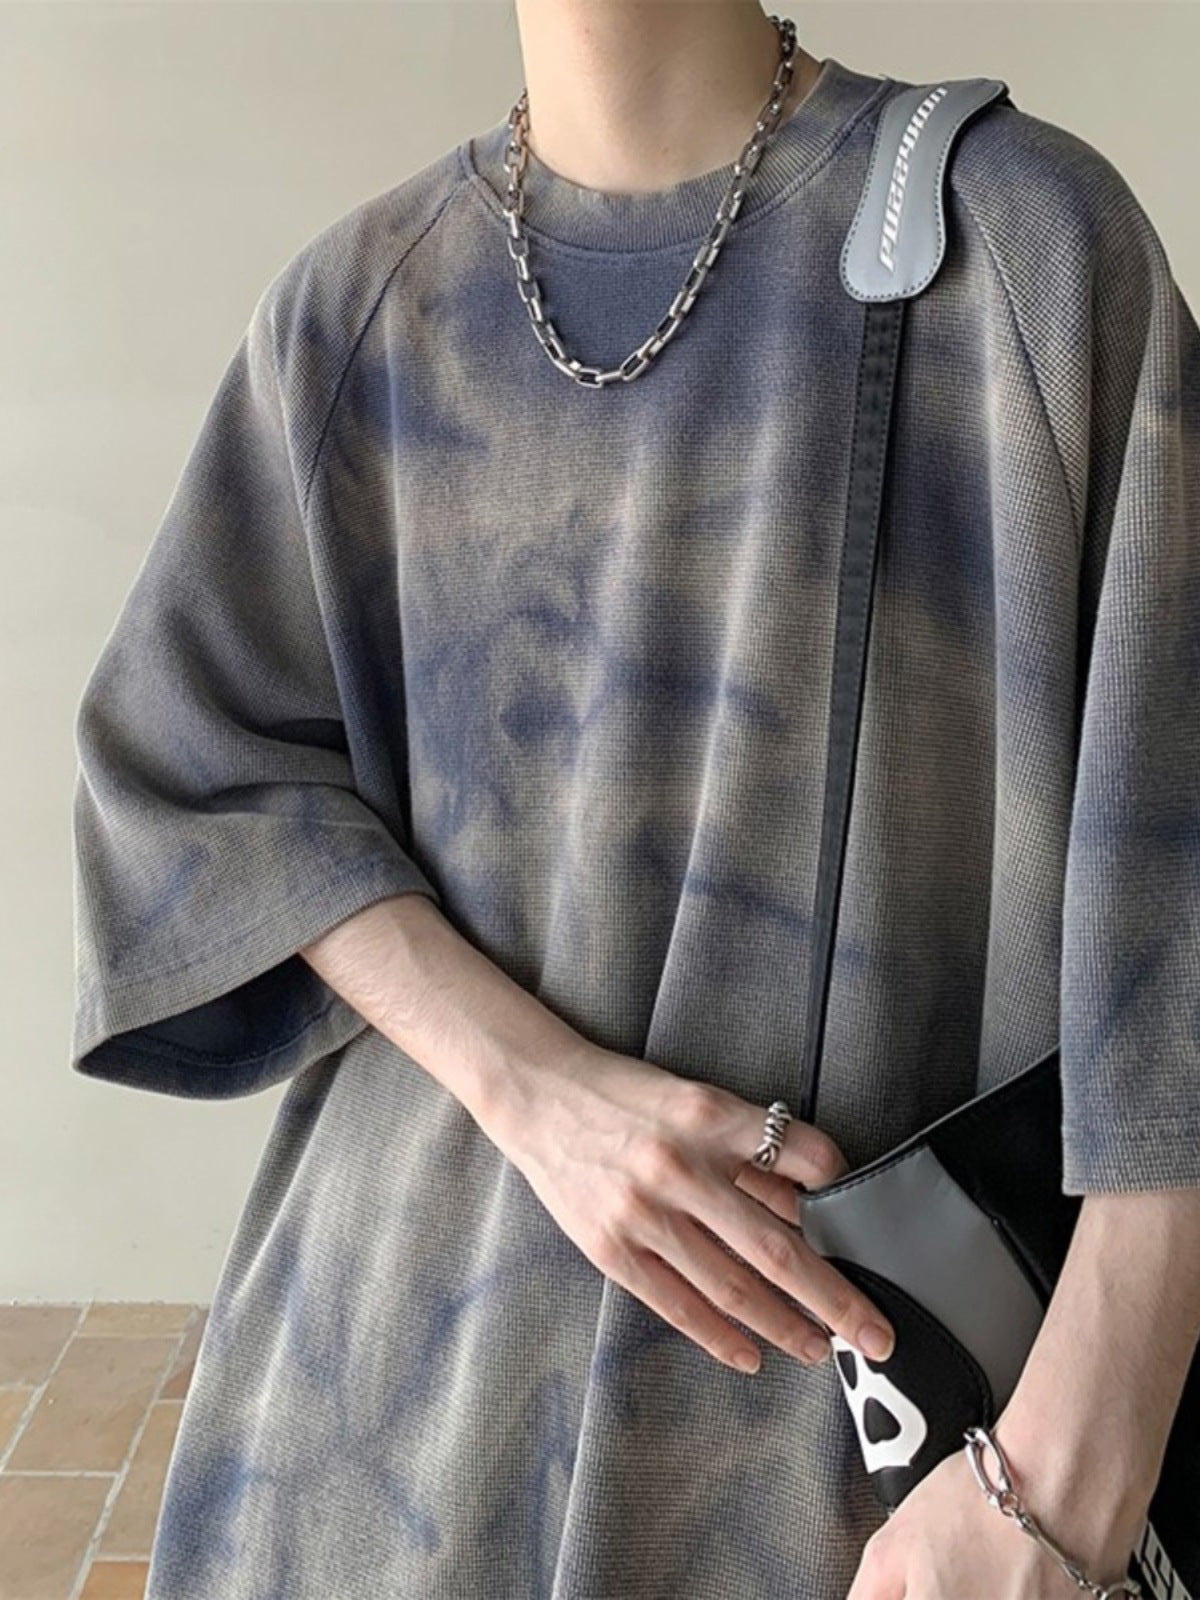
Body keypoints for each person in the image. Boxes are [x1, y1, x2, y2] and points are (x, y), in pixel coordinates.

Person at [69, 2, 1200, 1596]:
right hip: (376, 1450)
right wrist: (536, 1088)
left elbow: (1178, 899)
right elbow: (192, 773)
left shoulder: (1019, 246)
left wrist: (1068, 1478)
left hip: (861, 1485)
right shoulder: (358, 310)